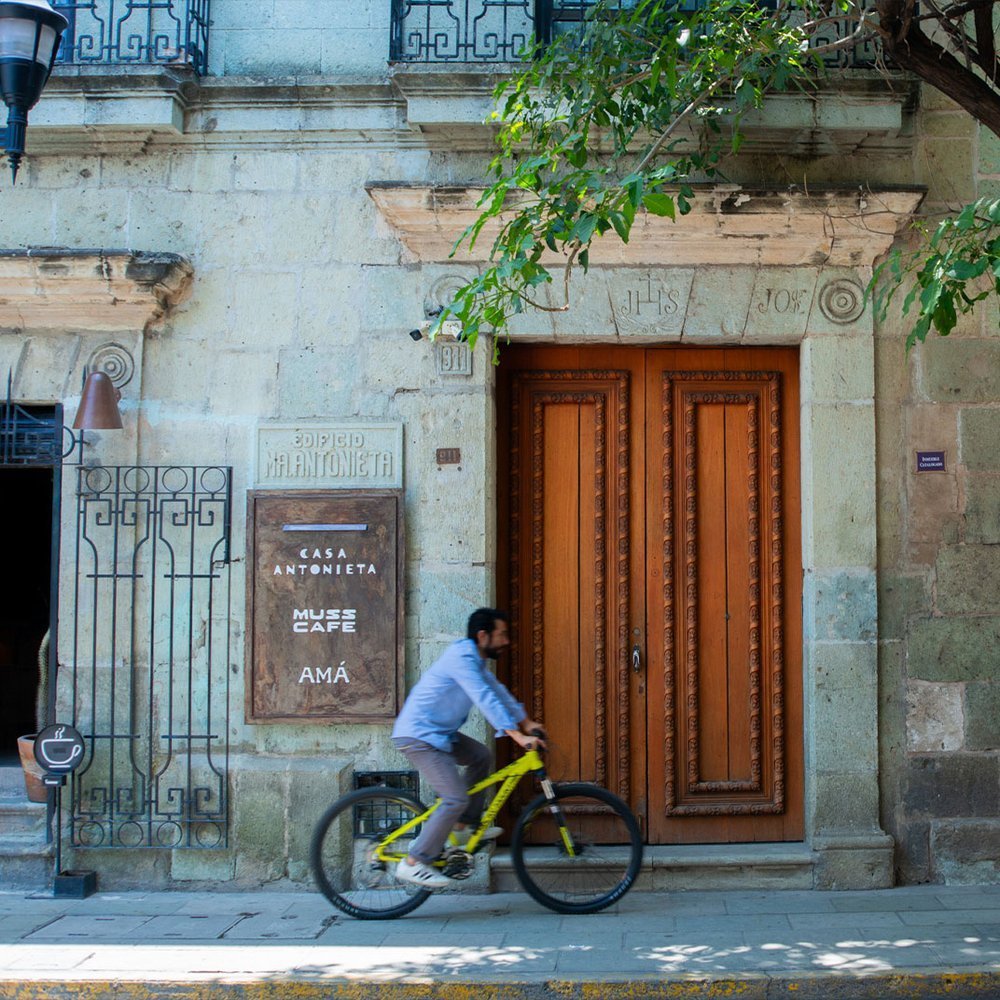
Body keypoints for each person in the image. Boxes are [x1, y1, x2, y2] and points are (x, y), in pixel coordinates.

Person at [391, 607, 545, 888]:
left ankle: (463, 827)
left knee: (480, 756)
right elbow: (485, 698)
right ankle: (414, 862)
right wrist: (518, 737)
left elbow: (498, 692)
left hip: (440, 734)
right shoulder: (461, 659)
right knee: (454, 798)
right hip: (419, 736)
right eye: (502, 635)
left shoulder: (476, 660)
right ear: (483, 635)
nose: (506, 641)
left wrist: (527, 722)